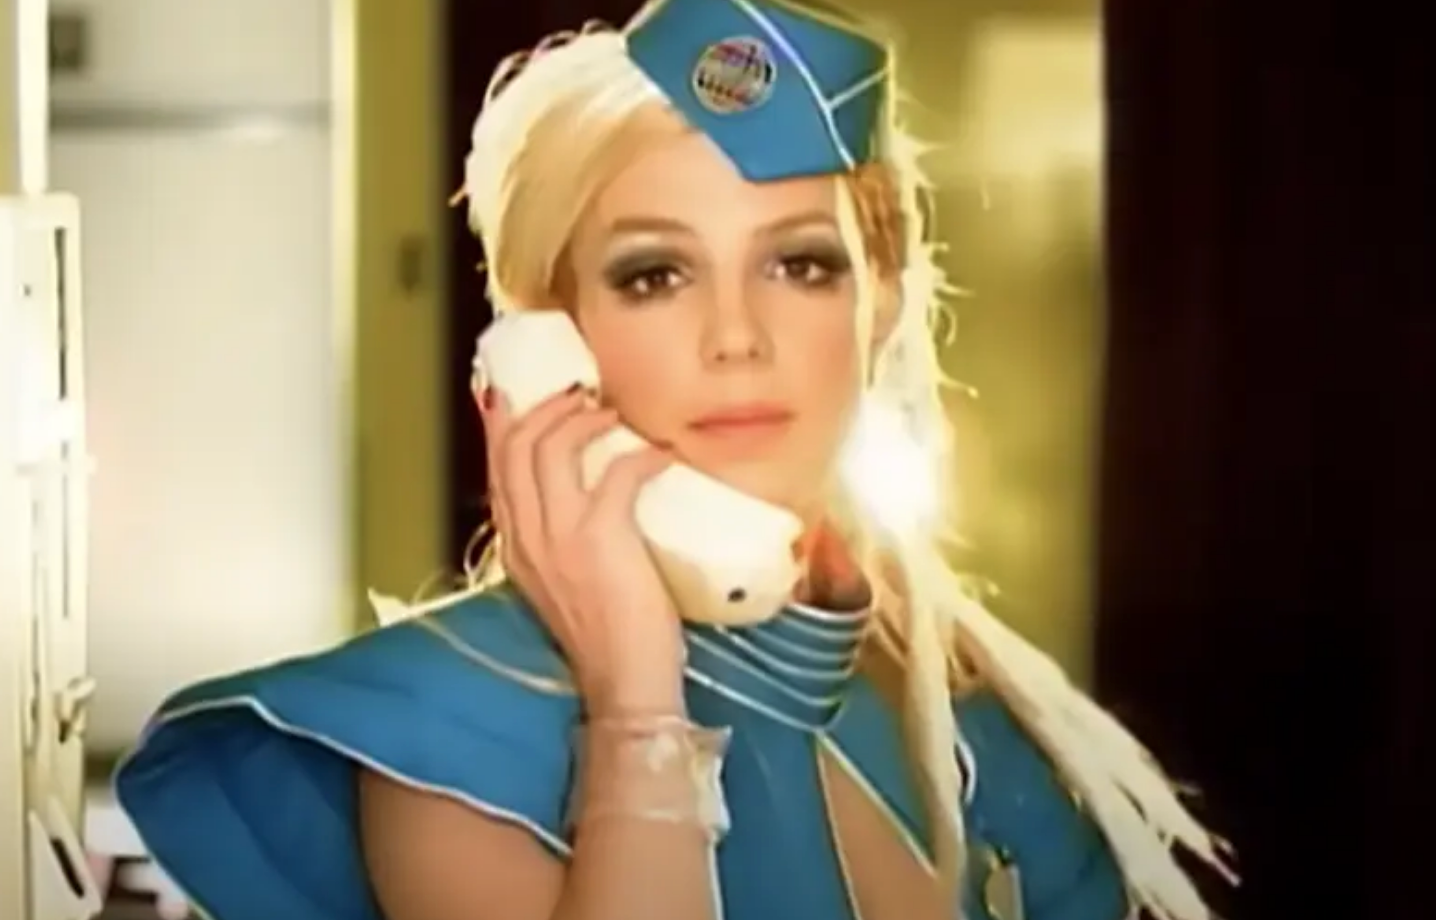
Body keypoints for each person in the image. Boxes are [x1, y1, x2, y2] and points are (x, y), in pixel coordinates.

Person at [113, 2, 1235, 919]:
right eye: (654, 275)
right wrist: (635, 710)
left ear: (880, 305)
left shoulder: (965, 694)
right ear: (546, 342)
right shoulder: (442, 734)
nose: (736, 336)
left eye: (800, 265)